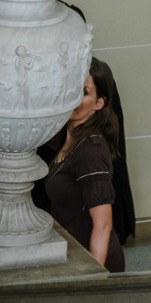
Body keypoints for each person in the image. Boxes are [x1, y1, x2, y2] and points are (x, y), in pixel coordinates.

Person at [31, 57, 126, 272]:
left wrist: (92, 279)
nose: (73, 98)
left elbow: (103, 226)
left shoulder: (90, 152)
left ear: (99, 103)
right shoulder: (69, 142)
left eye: (83, 92)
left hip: (94, 263)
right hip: (73, 257)